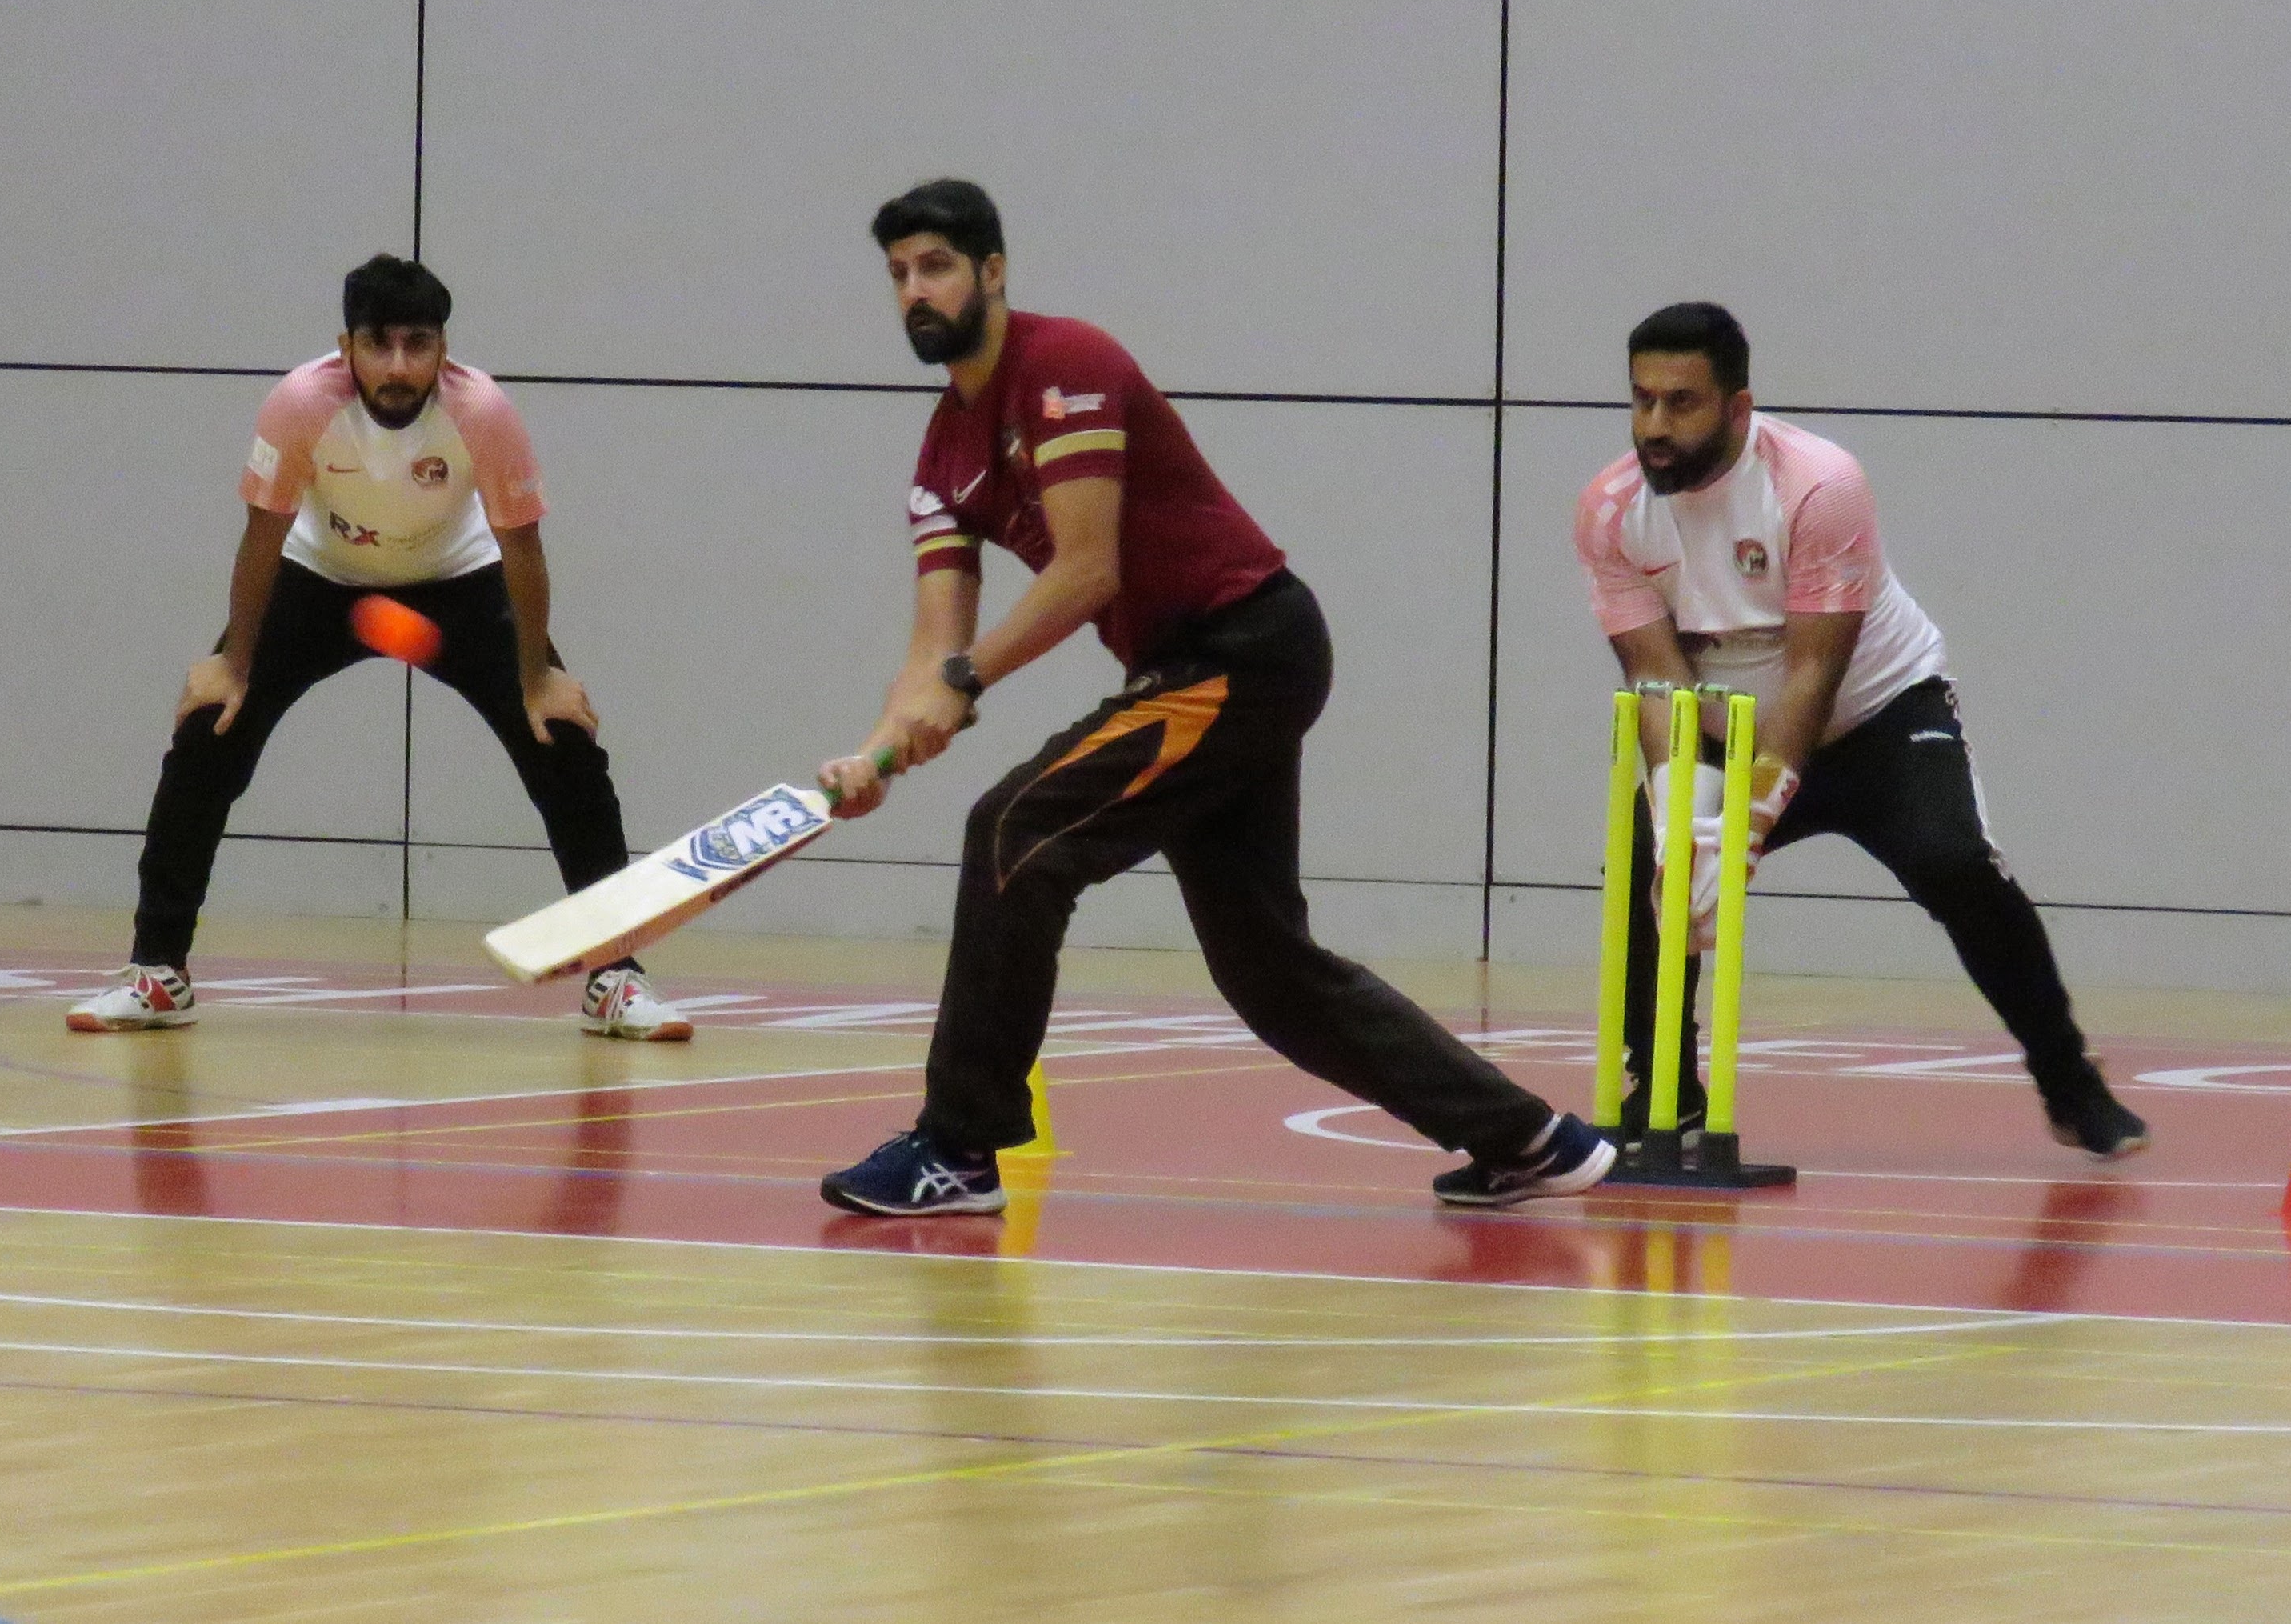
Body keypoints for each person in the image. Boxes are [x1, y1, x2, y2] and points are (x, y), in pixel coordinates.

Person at [813, 179, 1610, 1215]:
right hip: (1192, 669)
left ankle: (957, 1147)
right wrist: (877, 746)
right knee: (1266, 968)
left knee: (1016, 828)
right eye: (898, 275)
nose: (915, 291)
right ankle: (1530, 1138)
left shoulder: (1066, 366)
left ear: (991, 271)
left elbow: (1086, 570)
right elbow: (935, 639)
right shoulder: (942, 449)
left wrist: (964, 684)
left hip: (1247, 645)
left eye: (935, 266)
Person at [66, 254, 687, 1042]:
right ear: (346, 346)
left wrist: (536, 678)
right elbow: (262, 535)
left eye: (418, 344)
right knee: (206, 735)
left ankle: (615, 977)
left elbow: (522, 548)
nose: (398, 366)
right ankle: (158, 972)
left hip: (457, 583)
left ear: (443, 349)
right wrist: (232, 664)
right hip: (321, 580)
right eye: (379, 344)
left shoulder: (483, 412)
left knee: (562, 743)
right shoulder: (299, 405)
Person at [1577, 301, 2146, 1158]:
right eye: (1641, 400)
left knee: (1951, 864)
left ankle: (2069, 1083)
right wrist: (1682, 819)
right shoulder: (1609, 509)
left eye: (1681, 403)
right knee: (1651, 868)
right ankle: (1667, 1094)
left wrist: (1751, 822)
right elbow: (1655, 678)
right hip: (1717, 726)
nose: (1653, 426)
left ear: (1738, 408)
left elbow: (1814, 670)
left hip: (1875, 715)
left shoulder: (1817, 485)